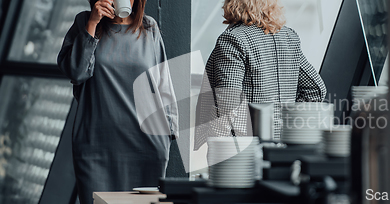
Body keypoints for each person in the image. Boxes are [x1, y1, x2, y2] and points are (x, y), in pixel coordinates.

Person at [57, 0, 178, 203]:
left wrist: (169, 133)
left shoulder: (149, 27)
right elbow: (76, 73)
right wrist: (92, 24)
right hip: (95, 147)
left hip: (146, 147)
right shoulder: (84, 22)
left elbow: (164, 85)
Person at [194, 0, 326, 150]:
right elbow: (316, 89)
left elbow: (228, 106)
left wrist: (220, 153)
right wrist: (289, 122)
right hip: (282, 147)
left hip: (245, 151)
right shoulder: (288, 37)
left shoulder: (233, 39)